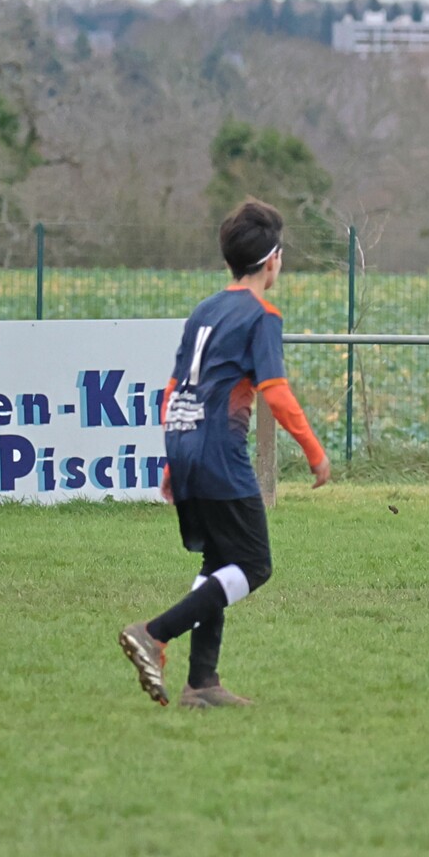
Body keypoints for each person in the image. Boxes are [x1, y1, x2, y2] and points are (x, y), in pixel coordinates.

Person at [118, 199, 330, 708]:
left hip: (187, 442)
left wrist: (174, 458)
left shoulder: (205, 310)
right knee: (254, 565)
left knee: (219, 560)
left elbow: (175, 388)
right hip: (218, 450)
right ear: (272, 260)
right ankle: (154, 632)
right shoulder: (261, 315)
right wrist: (314, 451)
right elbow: (275, 390)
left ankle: (202, 684)